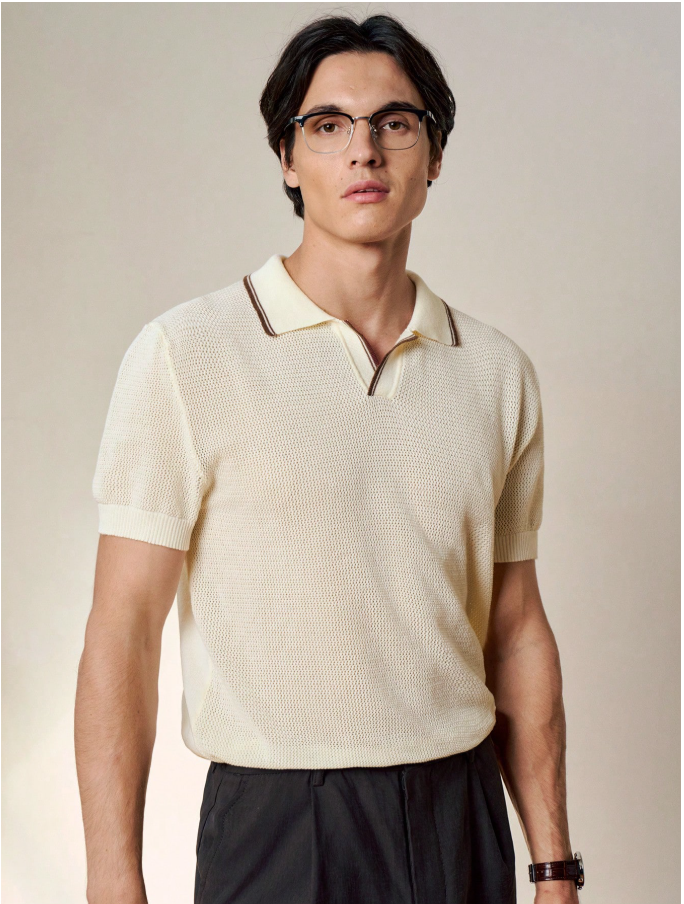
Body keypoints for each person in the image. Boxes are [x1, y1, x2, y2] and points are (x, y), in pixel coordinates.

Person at [75, 13, 583, 904]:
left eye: (396, 122)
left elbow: (515, 630)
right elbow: (123, 631)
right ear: (286, 157)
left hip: (457, 815)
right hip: (276, 825)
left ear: (434, 155)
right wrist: (113, 883)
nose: (364, 151)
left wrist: (552, 867)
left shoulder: (496, 373)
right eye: (328, 125)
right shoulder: (186, 355)